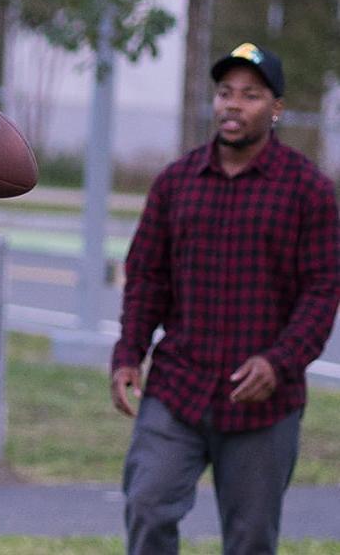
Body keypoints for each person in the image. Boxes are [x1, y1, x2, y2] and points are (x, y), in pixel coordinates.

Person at [110, 42, 340, 555]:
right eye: (224, 93)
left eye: (251, 96)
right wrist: (129, 354)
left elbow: (323, 291)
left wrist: (279, 363)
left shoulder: (308, 191)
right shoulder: (176, 183)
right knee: (147, 505)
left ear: (276, 108)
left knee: (252, 539)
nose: (233, 105)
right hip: (179, 387)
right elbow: (146, 277)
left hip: (263, 400)